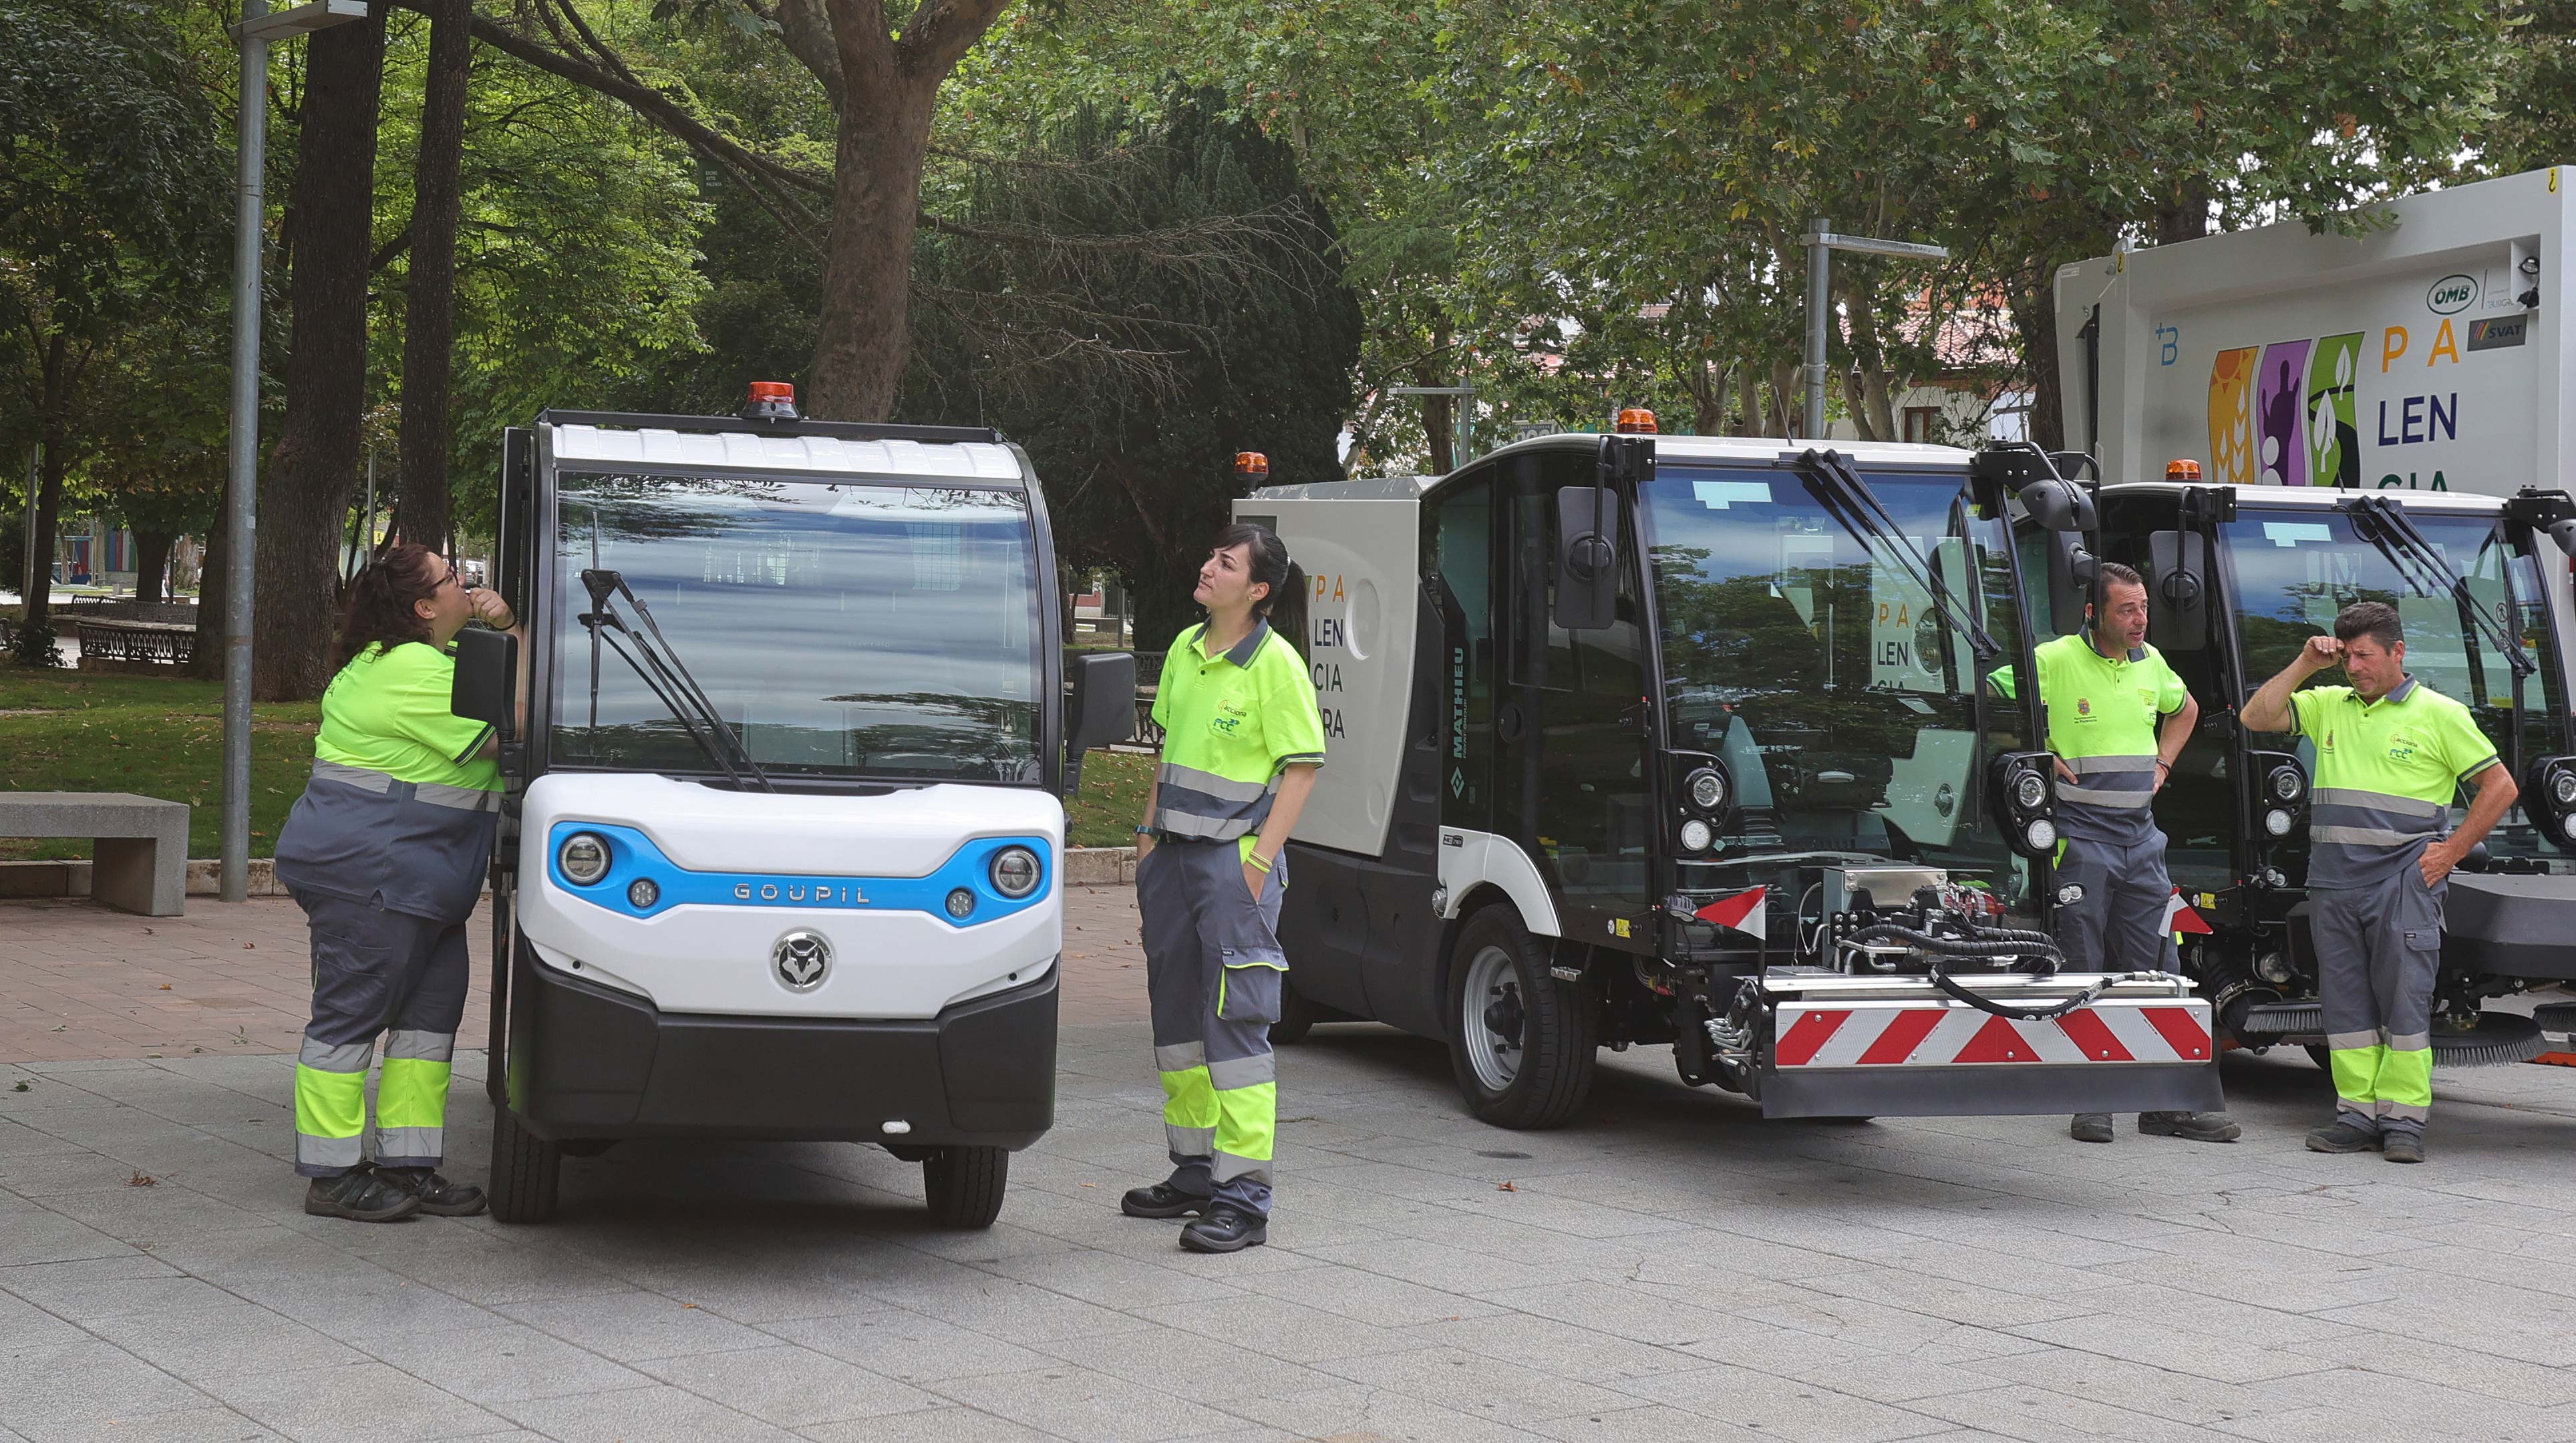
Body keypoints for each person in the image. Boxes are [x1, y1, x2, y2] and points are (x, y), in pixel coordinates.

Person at [272, 544, 519, 1221]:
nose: (468, 587)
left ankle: (408, 1166)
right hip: (374, 873)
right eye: (453, 579)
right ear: (423, 605)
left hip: (420, 878)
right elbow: (514, 728)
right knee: (348, 1022)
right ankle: (332, 1175)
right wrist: (513, 630)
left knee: (425, 1026)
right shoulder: (409, 670)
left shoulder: (420, 663)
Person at [2241, 601, 2515, 1163]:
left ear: (2398, 652)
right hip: (2334, 885)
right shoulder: (2327, 705)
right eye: (2348, 658)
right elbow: (2256, 717)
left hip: (2402, 884)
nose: (2356, 669)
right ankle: (2355, 1115)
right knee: (2345, 1008)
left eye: (2365, 656)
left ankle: (2404, 1123)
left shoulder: (2440, 714)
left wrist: (2450, 853)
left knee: (2404, 1007)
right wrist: (2303, 664)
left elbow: (2500, 787)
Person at [1121, 523, 1325, 1253]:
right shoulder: (1183, 648)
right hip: (1171, 863)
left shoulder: (1277, 666)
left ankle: (1244, 1198)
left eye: (1225, 562)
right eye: (1210, 554)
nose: (1207, 566)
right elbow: (1168, 755)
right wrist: (1146, 844)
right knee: (1177, 1026)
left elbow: (1301, 768)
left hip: (1231, 866)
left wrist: (1259, 863)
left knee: (1235, 1029)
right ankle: (1194, 1173)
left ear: (1257, 590)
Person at [2009, 562, 2240, 1145]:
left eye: (2143, 609)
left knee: (2157, 969)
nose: (2140, 621)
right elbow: (1992, 700)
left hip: (2142, 840)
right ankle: (2092, 1101)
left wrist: (2165, 762)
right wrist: (2035, 748)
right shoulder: (2055, 658)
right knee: (2085, 967)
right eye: (2126, 611)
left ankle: (2165, 1104)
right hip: (2080, 839)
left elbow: (2184, 709)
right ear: (2094, 613)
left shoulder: (2150, 662)